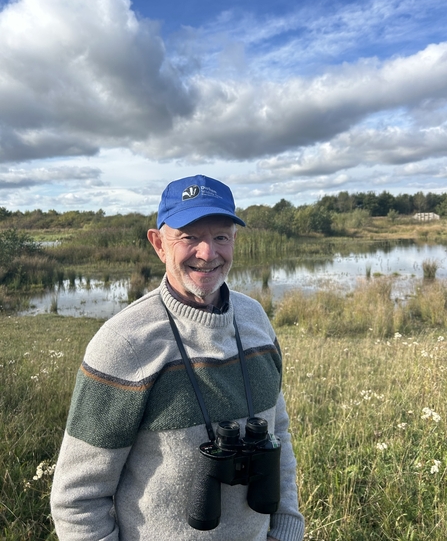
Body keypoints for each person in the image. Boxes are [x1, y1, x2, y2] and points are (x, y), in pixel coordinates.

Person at [50, 174, 305, 541]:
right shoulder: (124, 344)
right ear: (158, 244)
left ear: (235, 241)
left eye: (221, 236)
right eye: (189, 237)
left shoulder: (255, 321)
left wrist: (286, 531)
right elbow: (77, 498)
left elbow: (278, 435)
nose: (208, 253)